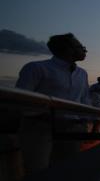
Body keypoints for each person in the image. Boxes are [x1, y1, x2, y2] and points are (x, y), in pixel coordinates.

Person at [15, 33, 90, 172]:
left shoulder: (82, 74)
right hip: (39, 126)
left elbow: (85, 99)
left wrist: (85, 122)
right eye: (80, 47)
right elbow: (20, 99)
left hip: (72, 127)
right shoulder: (36, 68)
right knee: (37, 170)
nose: (84, 50)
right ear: (67, 49)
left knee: (67, 169)